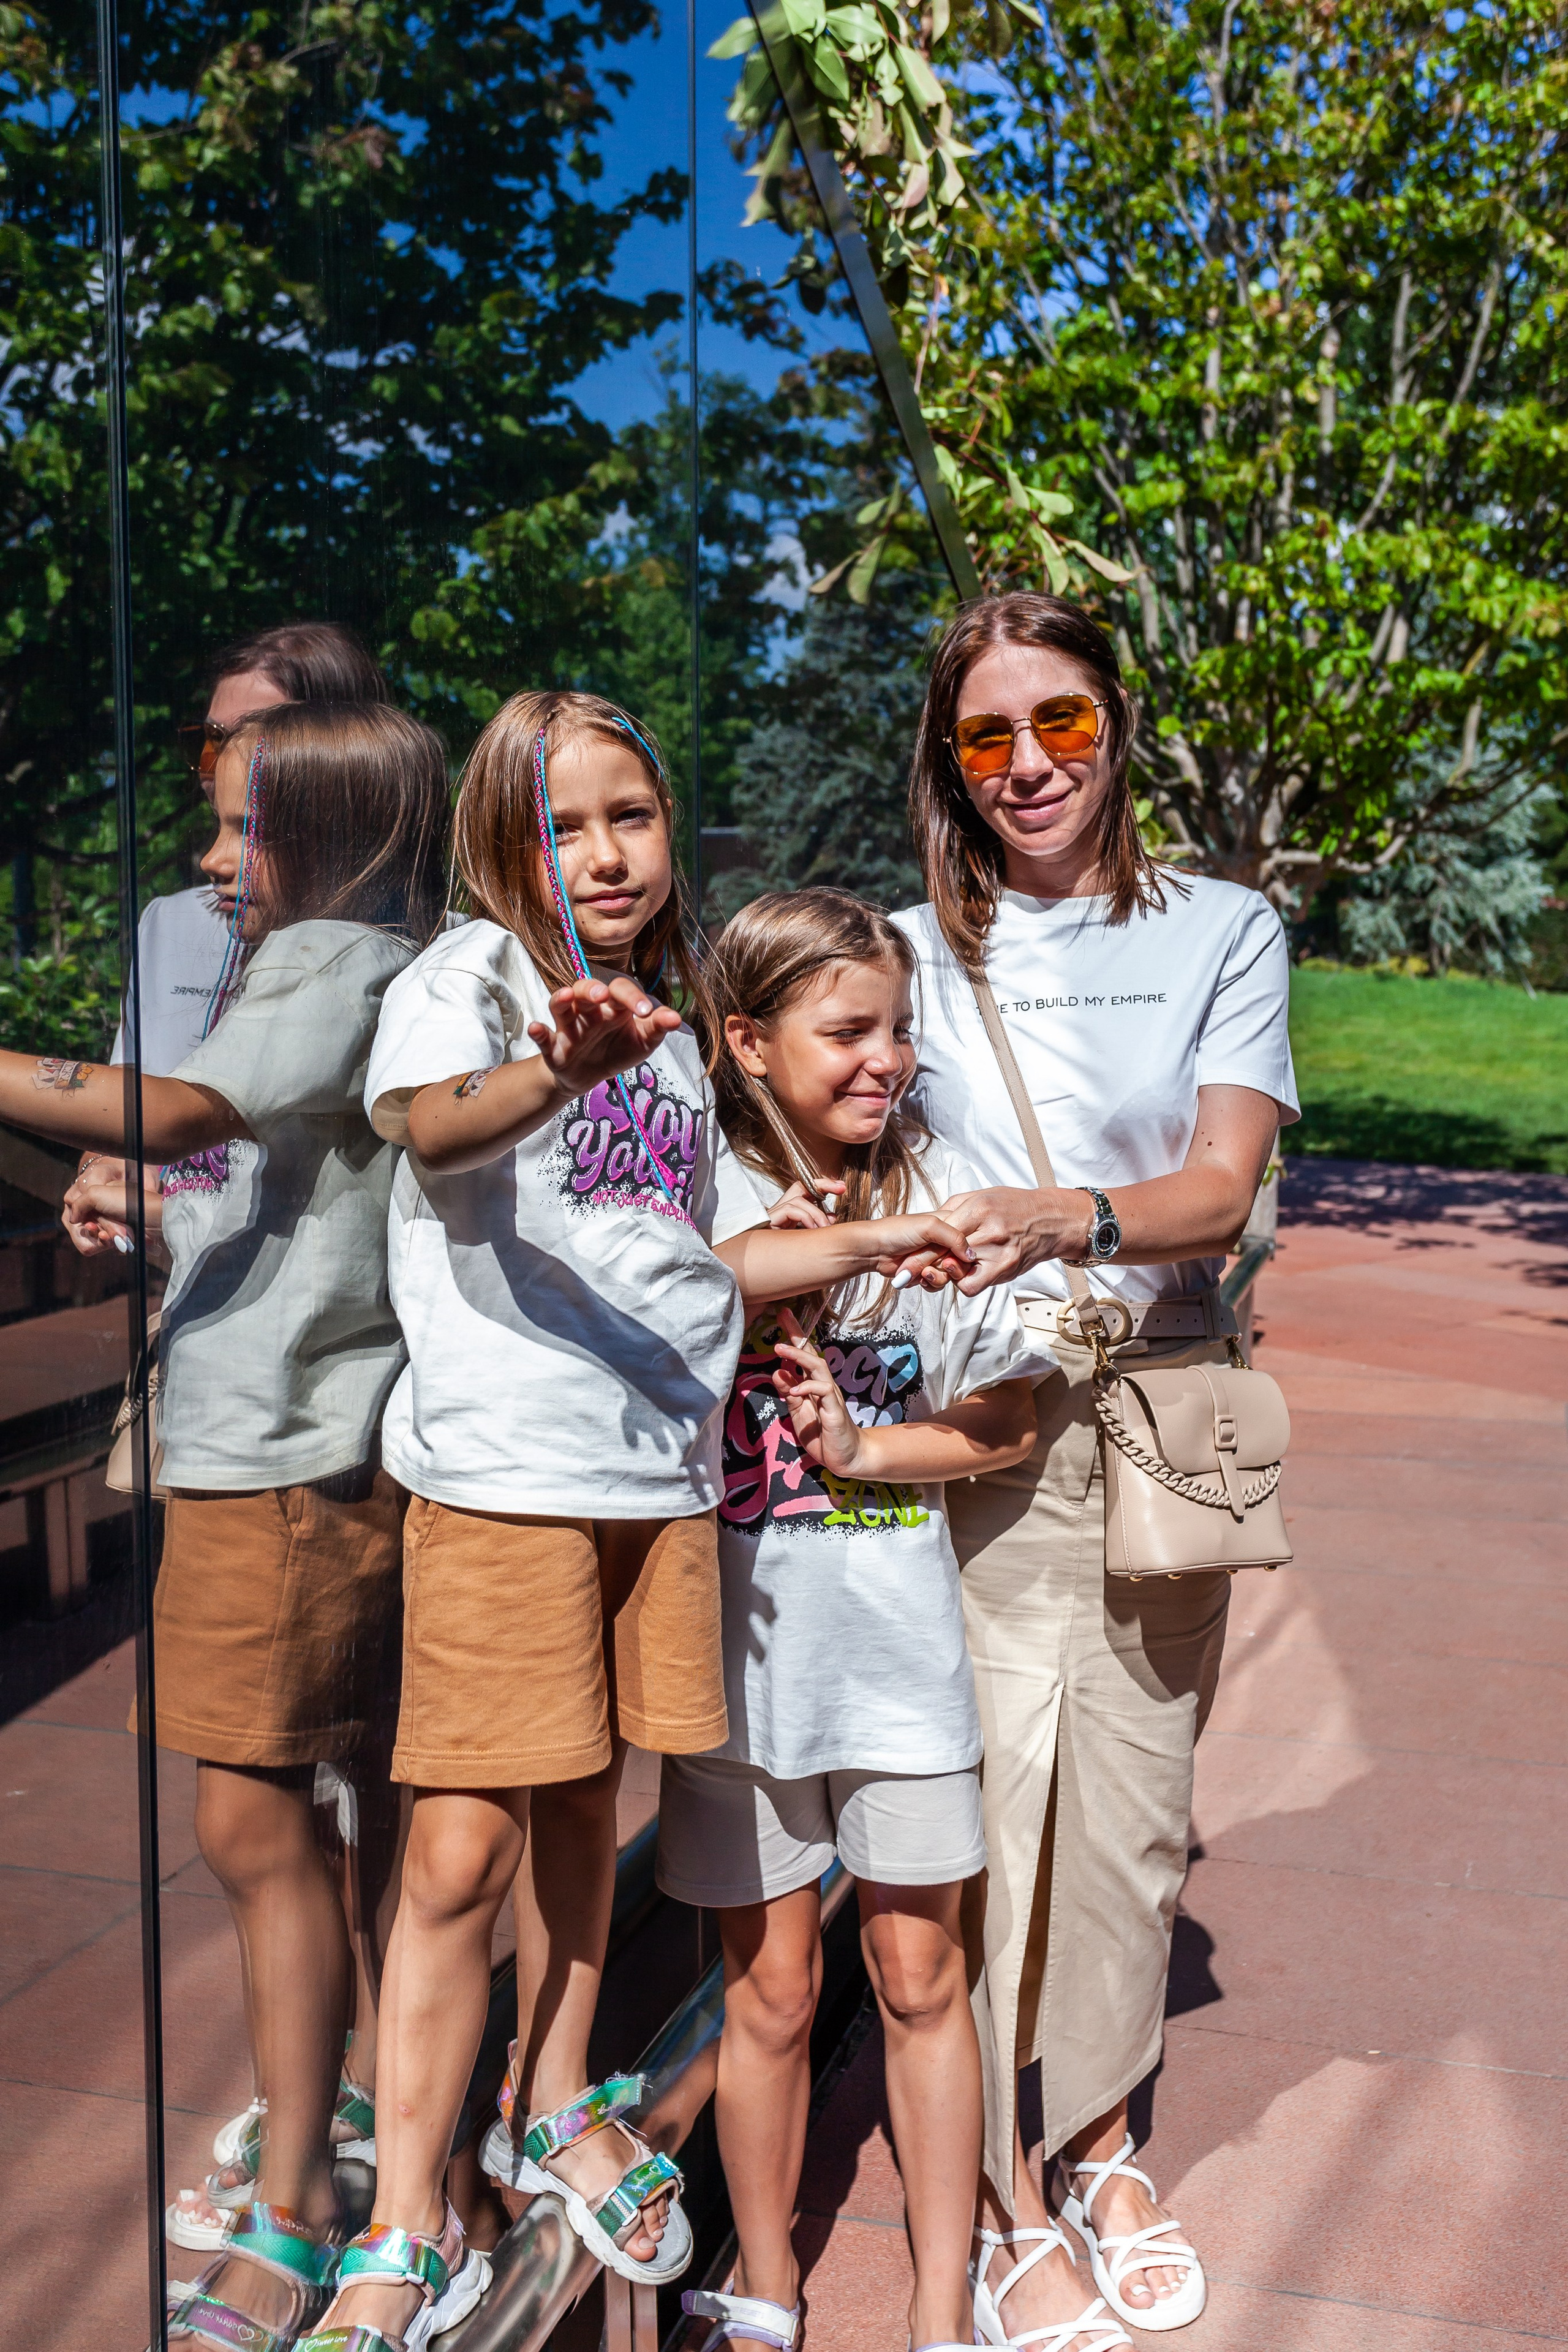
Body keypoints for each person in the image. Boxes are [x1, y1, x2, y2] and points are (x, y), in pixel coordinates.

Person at [301, 697, 973, 2352]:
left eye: (633, 817)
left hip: (656, 1479)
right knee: (460, 1849)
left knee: (593, 1823)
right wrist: (552, 1062)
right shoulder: (471, 981)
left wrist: (848, 1237)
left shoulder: (673, 1041)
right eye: (564, 823)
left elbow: (671, 1258)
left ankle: (550, 2107)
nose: (604, 853)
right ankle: (400, 2228)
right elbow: (429, 1126)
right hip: (507, 1475)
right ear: (498, 841)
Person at [0, 701, 450, 2348]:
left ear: (340, 839)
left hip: (291, 1457)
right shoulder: (328, 962)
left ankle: (307, 2199)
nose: (210, 864)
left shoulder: (338, 963)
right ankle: (355, 2143)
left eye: (244, 829)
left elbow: (184, 1112)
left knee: (263, 1827)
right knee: (283, 1828)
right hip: (263, 1446)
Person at [892, 594, 1299, 2343]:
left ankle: (1107, 2140)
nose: (1030, 764)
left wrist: (1074, 1213)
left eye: (1060, 721)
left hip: (1170, 1410)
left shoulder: (1223, 926)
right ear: (950, 761)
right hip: (983, 1429)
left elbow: (1222, 1184)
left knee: (1135, 1810)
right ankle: (999, 2193)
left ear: (1117, 725)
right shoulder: (905, 950)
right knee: (990, 1810)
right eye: (988, 737)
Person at [658, 889, 1056, 2352]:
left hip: (896, 1666)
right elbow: (700, 1287)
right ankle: (763, 2274)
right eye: (846, 1029)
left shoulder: (949, 1180)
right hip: (738, 1673)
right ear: (747, 1039)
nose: (884, 1056)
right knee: (763, 1988)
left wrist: (867, 1452)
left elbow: (1003, 1416)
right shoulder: (692, 1181)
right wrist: (857, 1245)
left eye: (898, 1025)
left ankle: (941, 2303)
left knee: (916, 1968)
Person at [63, 619, 389, 1254]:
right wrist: (98, 1173)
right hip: (185, 1295)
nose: (217, 764)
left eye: (256, 736)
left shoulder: (370, 949)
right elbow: (127, 1098)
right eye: (209, 740)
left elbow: (178, 1120)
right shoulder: (170, 921)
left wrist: (155, 1205)